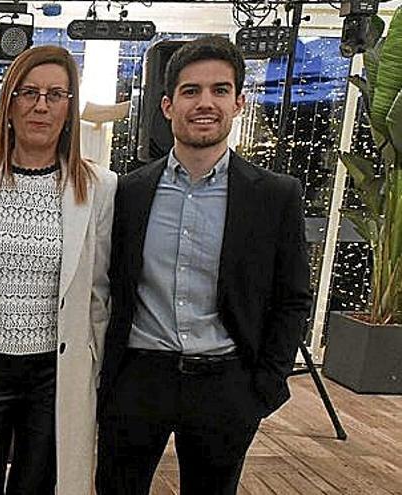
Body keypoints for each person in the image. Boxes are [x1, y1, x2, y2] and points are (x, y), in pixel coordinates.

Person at [96, 36, 313, 495]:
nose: (205, 103)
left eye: (220, 90)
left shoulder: (275, 195)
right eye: (191, 91)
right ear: (168, 105)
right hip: (138, 379)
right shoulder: (128, 191)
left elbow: (292, 298)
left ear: (238, 102)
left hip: (226, 385)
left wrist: (265, 386)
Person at [0, 45, 117, 495]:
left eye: (55, 95)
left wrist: (94, 368)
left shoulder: (99, 186)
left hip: (54, 373)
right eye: (29, 92)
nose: (41, 105)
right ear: (9, 103)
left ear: (68, 108)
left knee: (37, 485)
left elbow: (98, 292)